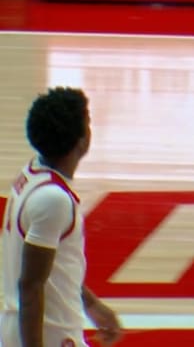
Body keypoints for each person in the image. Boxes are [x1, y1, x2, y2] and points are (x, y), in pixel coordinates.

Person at [1, 87, 122, 347]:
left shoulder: (32, 173)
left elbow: (50, 269)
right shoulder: (53, 200)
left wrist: (91, 304)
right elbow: (30, 285)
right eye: (88, 122)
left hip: (25, 328)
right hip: (50, 334)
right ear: (82, 140)